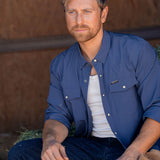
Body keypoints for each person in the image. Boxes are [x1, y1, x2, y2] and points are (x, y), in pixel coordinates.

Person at [8, 0, 160, 159]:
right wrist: (50, 143)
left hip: (133, 145)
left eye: (87, 11)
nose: (78, 20)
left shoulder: (136, 50)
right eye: (71, 12)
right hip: (89, 147)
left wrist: (132, 153)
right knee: (21, 152)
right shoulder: (61, 64)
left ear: (103, 14)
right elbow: (58, 115)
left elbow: (157, 107)